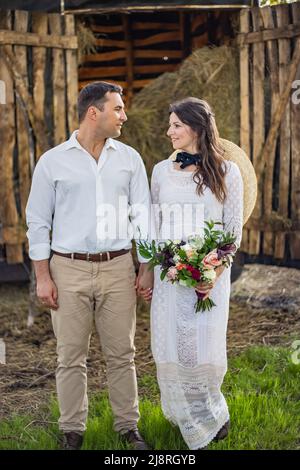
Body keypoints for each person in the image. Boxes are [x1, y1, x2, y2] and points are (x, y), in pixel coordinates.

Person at [26, 81, 153, 450]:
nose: (124, 115)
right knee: (70, 356)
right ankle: (72, 432)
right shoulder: (52, 161)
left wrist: (145, 267)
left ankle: (129, 428)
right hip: (68, 269)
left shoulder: (129, 158)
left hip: (117, 267)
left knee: (122, 354)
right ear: (93, 112)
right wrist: (43, 276)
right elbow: (38, 221)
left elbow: (142, 215)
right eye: (118, 108)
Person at [138, 97, 244, 450]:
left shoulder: (228, 172)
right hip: (169, 276)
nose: (169, 131)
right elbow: (153, 225)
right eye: (169, 125)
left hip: (209, 279)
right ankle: (182, 414)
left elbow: (232, 231)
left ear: (197, 127)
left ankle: (213, 414)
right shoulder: (159, 171)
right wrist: (149, 270)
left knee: (205, 346)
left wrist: (212, 270)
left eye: (176, 125)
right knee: (171, 344)